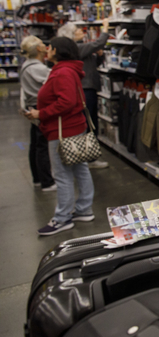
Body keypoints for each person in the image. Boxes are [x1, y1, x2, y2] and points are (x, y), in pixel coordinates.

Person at [25, 37, 96, 236]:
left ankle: (62, 218)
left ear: (57, 50)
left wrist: (41, 113)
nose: (47, 49)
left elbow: (66, 101)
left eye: (50, 47)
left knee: (62, 175)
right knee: (80, 168)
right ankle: (84, 210)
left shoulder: (62, 72)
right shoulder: (69, 69)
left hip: (63, 130)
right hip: (73, 127)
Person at [57, 19, 110, 168]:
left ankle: (87, 158)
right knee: (88, 123)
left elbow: (94, 64)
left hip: (88, 89)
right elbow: (98, 43)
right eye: (77, 31)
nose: (81, 31)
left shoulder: (81, 49)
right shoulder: (76, 49)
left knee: (90, 122)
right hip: (84, 91)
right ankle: (87, 160)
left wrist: (99, 56)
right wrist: (105, 28)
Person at [19, 36, 55, 192]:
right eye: (42, 44)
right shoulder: (38, 68)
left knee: (35, 143)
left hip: (32, 106)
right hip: (39, 108)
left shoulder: (27, 65)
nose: (46, 45)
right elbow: (55, 82)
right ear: (39, 49)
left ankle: (38, 179)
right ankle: (47, 182)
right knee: (42, 145)